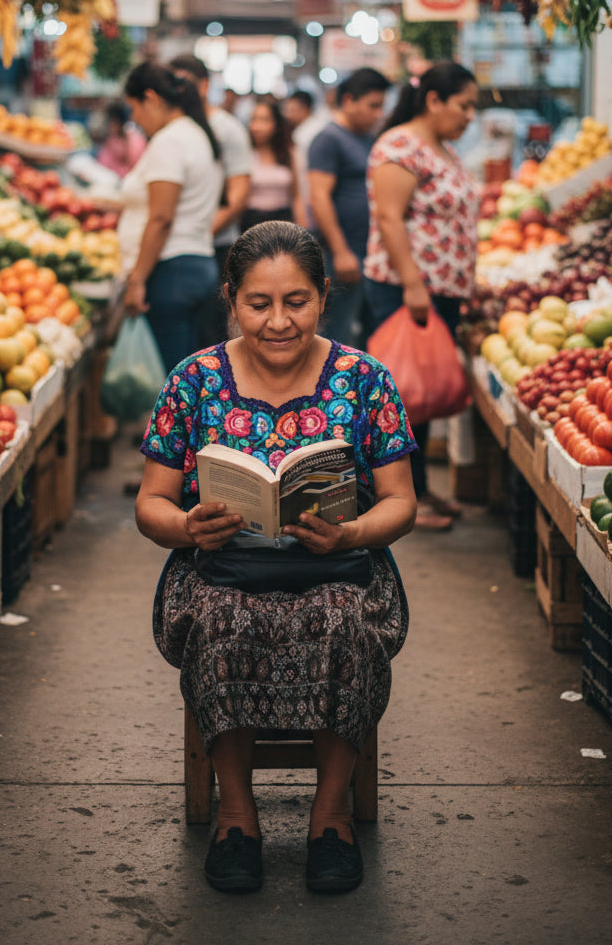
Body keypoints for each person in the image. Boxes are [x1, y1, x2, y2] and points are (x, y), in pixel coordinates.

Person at [135, 221, 417, 895]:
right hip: (222, 568)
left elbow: (400, 502)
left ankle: (330, 816)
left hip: (341, 566)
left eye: (297, 301)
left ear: (324, 296)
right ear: (231, 299)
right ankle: (237, 815)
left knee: (344, 624)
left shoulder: (365, 379)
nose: (278, 321)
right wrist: (186, 525)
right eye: (258, 303)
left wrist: (351, 535)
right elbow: (151, 503)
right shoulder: (195, 380)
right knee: (223, 621)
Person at [363, 63, 480, 532]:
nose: (470, 115)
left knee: (421, 392)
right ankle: (394, 495)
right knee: (399, 393)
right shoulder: (399, 146)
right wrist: (413, 284)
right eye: (464, 104)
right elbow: (390, 218)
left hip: (439, 290)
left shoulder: (442, 148)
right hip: (405, 289)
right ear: (434, 100)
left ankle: (418, 488)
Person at [120, 62, 224, 373]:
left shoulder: (171, 141)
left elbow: (161, 217)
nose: (135, 120)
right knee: (190, 377)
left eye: (134, 109)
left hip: (170, 271)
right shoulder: (197, 134)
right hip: (196, 265)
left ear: (150, 98)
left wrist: (138, 279)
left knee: (174, 383)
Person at [168, 55, 253, 341]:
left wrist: (201, 233)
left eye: (184, 84)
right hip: (182, 247)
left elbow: (239, 194)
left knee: (210, 335)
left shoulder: (227, 128)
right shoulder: (177, 127)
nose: (178, 91)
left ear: (203, 86)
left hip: (216, 245)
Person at [307, 67, 391, 347]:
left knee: (365, 332)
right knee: (337, 334)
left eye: (381, 106)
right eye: (372, 106)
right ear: (348, 101)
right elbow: (319, 197)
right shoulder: (328, 139)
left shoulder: (367, 137)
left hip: (367, 251)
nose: (378, 113)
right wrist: (341, 251)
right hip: (341, 253)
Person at [241, 96, 308, 232]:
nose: (257, 126)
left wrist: (303, 228)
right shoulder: (245, 153)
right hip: (252, 222)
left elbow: (296, 196)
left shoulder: (288, 154)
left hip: (283, 220)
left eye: (264, 120)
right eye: (253, 119)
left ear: (276, 124)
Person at [283, 88, 330, 227]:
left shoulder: (303, 134)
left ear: (305, 109)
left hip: (309, 195)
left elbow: (301, 171)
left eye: (292, 110)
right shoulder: (321, 127)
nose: (288, 114)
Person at [96, 101, 145, 179]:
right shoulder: (113, 138)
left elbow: (136, 166)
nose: (110, 126)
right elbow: (103, 161)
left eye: (112, 122)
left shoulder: (134, 139)